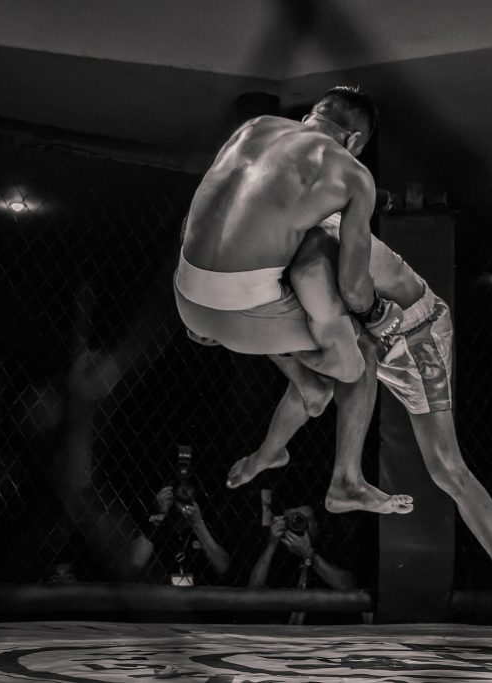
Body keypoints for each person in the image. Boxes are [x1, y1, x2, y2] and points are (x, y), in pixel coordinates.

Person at [229, 220, 492, 620]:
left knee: (447, 468)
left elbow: (354, 314)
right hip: (365, 332)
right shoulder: (278, 258)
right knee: (315, 372)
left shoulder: (317, 242)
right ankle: (272, 455)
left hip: (415, 337)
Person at [175, 85, 412, 516]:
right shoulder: (352, 173)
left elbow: (200, 216)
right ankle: (346, 481)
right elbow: (356, 288)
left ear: (312, 116)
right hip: (239, 315)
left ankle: (272, 447)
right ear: (355, 140)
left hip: (186, 296)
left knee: (306, 340)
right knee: (361, 350)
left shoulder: (253, 128)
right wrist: (378, 318)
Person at [249, 503, 358, 625]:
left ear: (316, 525)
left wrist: (308, 554)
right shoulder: (278, 550)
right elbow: (253, 588)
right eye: (292, 519)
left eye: (305, 519)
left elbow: (346, 586)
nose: (298, 524)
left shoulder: (332, 548)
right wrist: (272, 544)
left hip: (323, 628)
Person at [128, 485, 231, 586]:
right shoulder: (157, 526)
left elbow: (224, 567)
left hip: (201, 595)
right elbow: (135, 564)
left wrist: (198, 525)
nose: (183, 498)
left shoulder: (209, 524)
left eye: (187, 493)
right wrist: (160, 514)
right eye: (178, 494)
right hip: (161, 594)